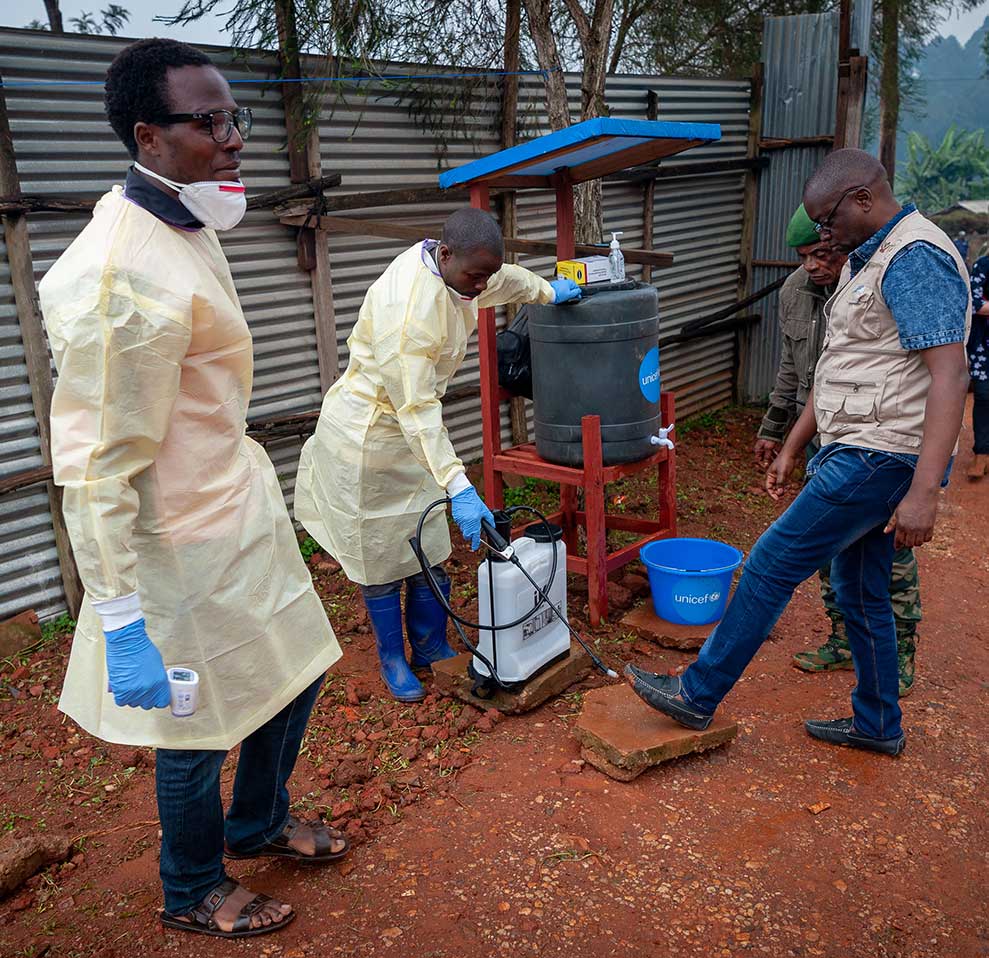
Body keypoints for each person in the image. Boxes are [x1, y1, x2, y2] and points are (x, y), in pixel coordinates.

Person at [40, 39, 347, 939]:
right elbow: (96, 458)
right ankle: (191, 885)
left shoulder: (186, 221)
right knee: (196, 723)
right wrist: (120, 615)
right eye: (207, 121)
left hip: (236, 507)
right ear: (150, 134)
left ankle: (257, 821)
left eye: (233, 116)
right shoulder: (119, 279)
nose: (233, 137)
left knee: (292, 674)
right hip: (175, 541)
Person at [626, 149, 970, 756]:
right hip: (862, 447)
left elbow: (950, 374)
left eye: (827, 221)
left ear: (863, 198)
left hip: (879, 456)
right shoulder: (875, 260)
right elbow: (844, 368)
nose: (823, 235)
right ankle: (878, 724)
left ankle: (697, 693)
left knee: (769, 564)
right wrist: (793, 445)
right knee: (862, 592)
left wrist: (923, 492)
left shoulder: (914, 257)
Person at [294, 209, 580, 701]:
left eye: (485, 274)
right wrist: (460, 484)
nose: (481, 285)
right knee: (380, 558)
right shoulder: (409, 313)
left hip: (415, 440)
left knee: (429, 544)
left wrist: (549, 291)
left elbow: (503, 280)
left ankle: (429, 645)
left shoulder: (461, 274)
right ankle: (393, 658)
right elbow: (417, 410)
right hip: (369, 438)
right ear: (445, 255)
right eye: (475, 275)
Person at [755, 204, 922, 697]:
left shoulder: (876, 287)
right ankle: (843, 641)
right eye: (803, 256)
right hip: (821, 439)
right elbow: (792, 370)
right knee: (828, 550)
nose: (812, 265)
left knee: (887, 551)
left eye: (821, 253)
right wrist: (774, 430)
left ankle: (901, 652)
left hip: (875, 442)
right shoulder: (794, 293)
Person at [965, 252, 989, 478]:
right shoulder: (984, 264)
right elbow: (975, 303)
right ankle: (981, 454)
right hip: (983, 346)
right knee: (983, 396)